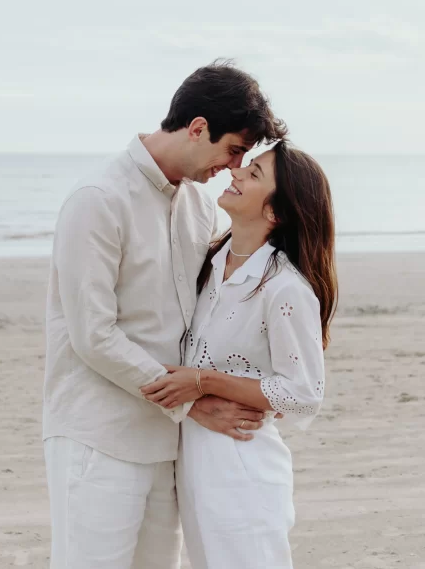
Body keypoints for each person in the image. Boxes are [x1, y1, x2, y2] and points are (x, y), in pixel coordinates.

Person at [42, 61, 288, 569]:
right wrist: (188, 403)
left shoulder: (198, 203)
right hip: (100, 435)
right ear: (198, 128)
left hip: (171, 445)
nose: (235, 166)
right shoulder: (99, 199)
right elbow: (93, 335)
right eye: (234, 150)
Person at [141, 141, 338, 568]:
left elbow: (304, 393)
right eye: (243, 168)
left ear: (276, 212)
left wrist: (203, 382)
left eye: (254, 175)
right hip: (193, 466)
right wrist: (195, 401)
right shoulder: (208, 265)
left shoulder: (285, 289)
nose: (236, 174)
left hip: (244, 469)